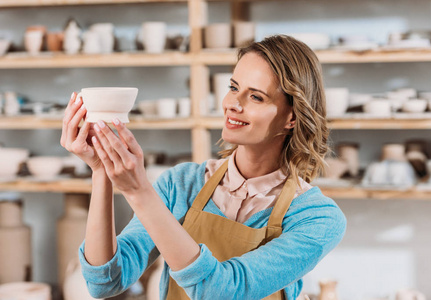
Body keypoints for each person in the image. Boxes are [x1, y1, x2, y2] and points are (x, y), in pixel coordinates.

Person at [60, 34, 346, 300]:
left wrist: (139, 192)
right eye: (234, 88)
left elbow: (221, 290)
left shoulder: (317, 218)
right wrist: (101, 171)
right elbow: (105, 282)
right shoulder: (182, 184)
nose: (233, 103)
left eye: (256, 96)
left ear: (292, 118)